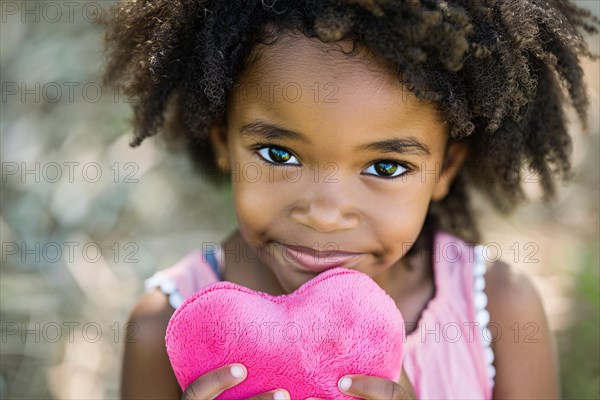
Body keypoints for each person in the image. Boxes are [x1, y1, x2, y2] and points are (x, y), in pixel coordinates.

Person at [103, 1, 598, 399]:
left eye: (386, 167)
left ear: (444, 168)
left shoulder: (500, 314)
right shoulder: (162, 331)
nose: (324, 211)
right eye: (278, 154)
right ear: (222, 142)